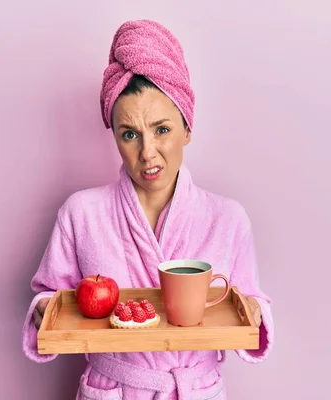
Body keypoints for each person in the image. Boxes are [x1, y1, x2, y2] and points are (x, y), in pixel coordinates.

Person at [21, 19, 274, 400]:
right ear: (115, 136)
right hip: (115, 388)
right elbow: (49, 294)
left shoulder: (228, 219)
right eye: (129, 134)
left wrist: (254, 313)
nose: (147, 153)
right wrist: (45, 310)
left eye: (162, 130)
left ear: (187, 128)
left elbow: (251, 302)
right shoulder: (81, 213)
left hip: (194, 389)